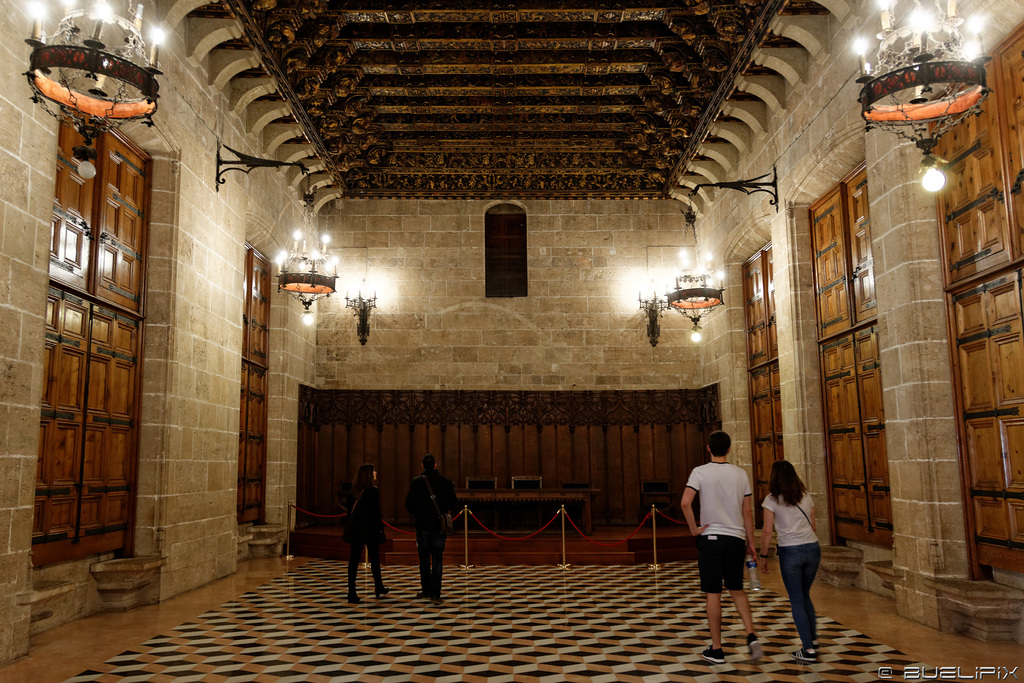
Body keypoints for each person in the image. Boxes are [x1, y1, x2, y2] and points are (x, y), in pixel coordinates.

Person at [680, 430, 763, 664]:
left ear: (708, 448)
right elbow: (747, 511)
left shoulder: (700, 472)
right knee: (737, 589)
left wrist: (693, 529)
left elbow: (685, 502)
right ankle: (750, 633)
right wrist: (751, 543)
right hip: (736, 539)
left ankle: (716, 649)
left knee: (713, 593)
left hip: (711, 538)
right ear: (729, 449)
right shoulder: (741, 474)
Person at [758, 459, 820, 663]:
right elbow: (813, 525)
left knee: (797, 600)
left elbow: (767, 531)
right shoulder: (806, 496)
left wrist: (763, 556)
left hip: (790, 551)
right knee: (804, 594)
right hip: (812, 548)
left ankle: (808, 649)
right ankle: (812, 638)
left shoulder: (771, 500)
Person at [405, 453, 459, 605]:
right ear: (435, 465)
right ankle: (436, 594)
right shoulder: (446, 481)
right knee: (437, 559)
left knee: (423, 559)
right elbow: (453, 503)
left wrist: (419, 511)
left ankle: (426, 590)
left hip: (422, 526)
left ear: (423, 466)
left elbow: (409, 504)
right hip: (438, 526)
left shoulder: (416, 482)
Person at [343, 463, 388, 604]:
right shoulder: (373, 491)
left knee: (354, 561)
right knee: (375, 560)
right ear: (368, 475)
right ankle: (378, 586)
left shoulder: (353, 491)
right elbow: (376, 513)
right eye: (373, 471)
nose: (376, 473)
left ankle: (352, 592)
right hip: (370, 530)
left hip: (357, 530)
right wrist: (380, 527)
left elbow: (349, 512)